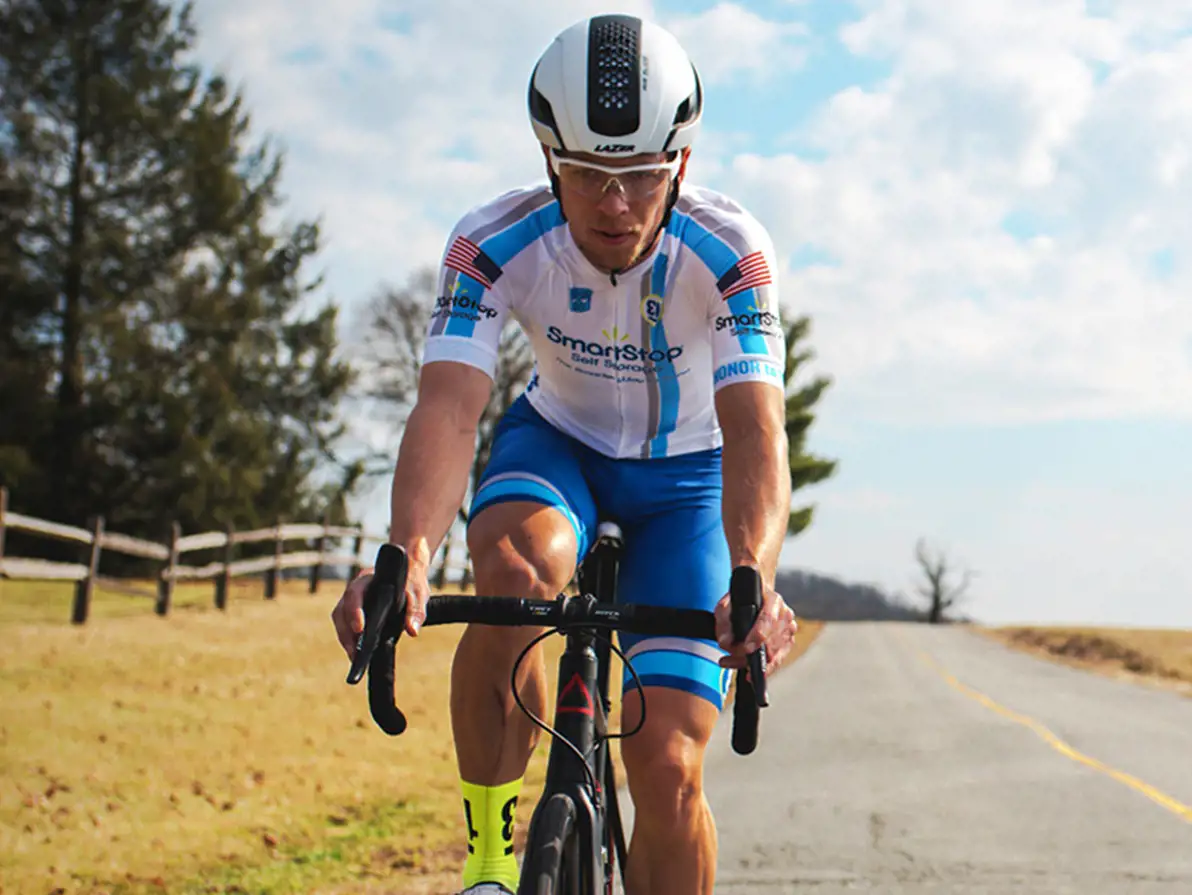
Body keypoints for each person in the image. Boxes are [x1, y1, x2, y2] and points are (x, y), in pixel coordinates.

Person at [331, 13, 798, 895]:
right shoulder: (493, 240)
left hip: (692, 481)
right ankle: (491, 862)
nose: (614, 202)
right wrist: (407, 554)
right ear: (551, 161)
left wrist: (752, 575)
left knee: (664, 769)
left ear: (682, 166)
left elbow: (754, 428)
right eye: (587, 172)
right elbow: (449, 405)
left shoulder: (731, 251)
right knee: (512, 577)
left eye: (640, 174)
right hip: (559, 447)